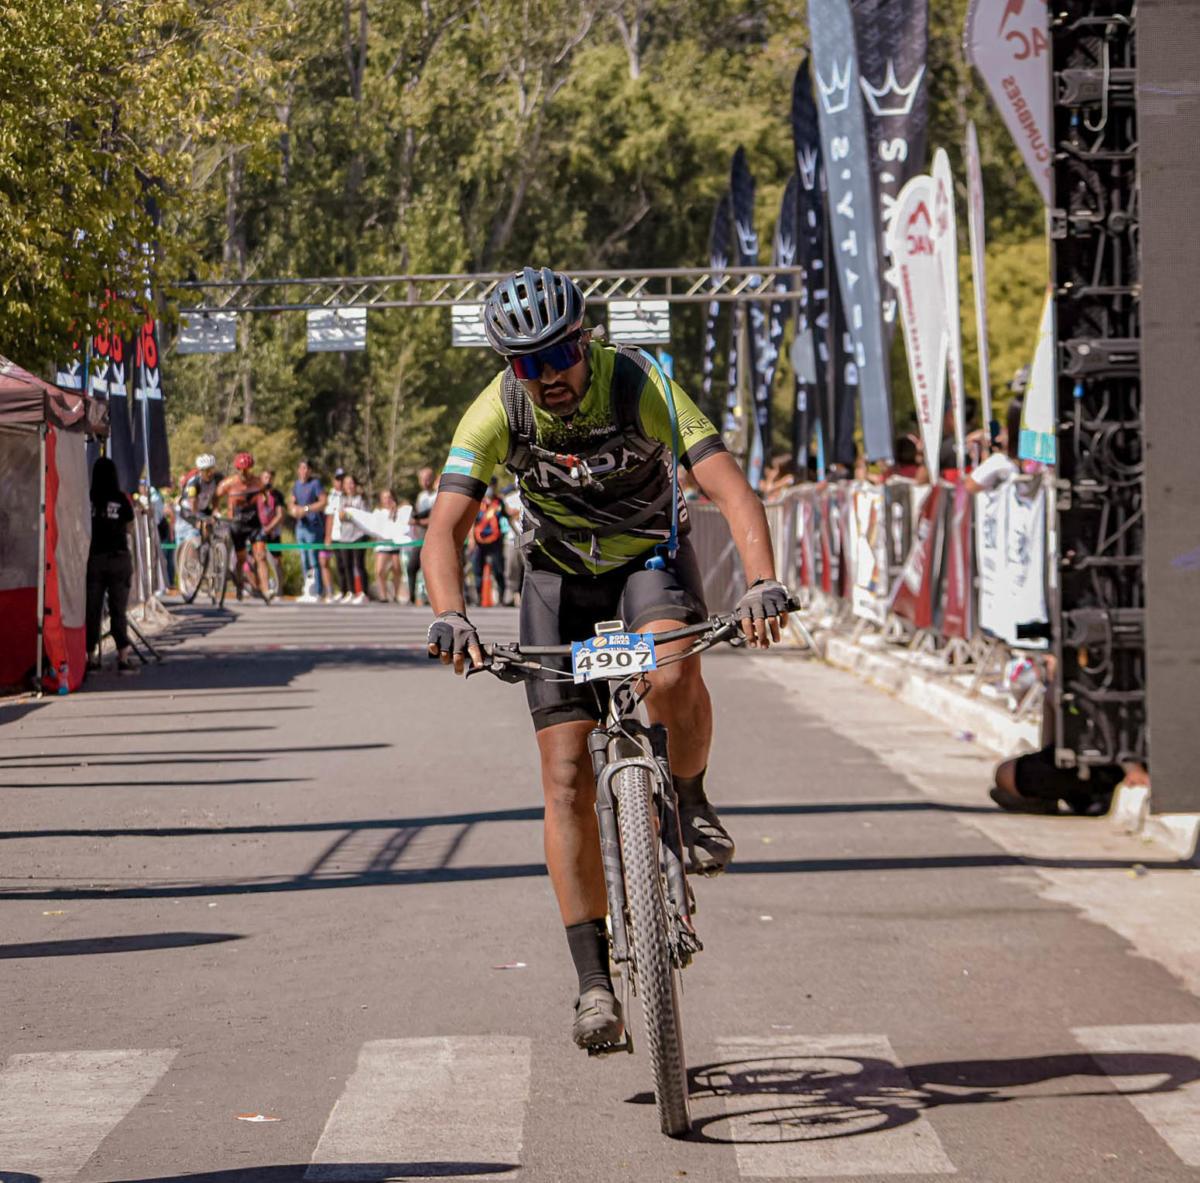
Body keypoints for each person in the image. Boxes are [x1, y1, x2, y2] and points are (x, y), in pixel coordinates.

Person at [424, 267, 790, 1051]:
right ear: (509, 366)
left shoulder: (639, 382)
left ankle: (688, 798)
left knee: (673, 671)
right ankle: (594, 982)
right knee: (564, 778)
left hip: (647, 563)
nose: (549, 376)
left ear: (583, 339)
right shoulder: (498, 409)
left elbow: (731, 489)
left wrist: (762, 582)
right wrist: (450, 613)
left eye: (559, 354)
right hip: (557, 581)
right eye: (529, 363)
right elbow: (444, 528)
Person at [86, 457, 137, 673]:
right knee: (118, 610)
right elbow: (130, 528)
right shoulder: (121, 499)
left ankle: (90, 657)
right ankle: (123, 657)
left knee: (92, 609)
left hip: (95, 559)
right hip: (119, 559)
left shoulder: (88, 499)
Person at [218, 452, 270, 602]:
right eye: (241, 470)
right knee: (241, 559)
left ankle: (266, 590)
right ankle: (239, 586)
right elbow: (216, 496)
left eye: (247, 469)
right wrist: (216, 511)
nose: (244, 473)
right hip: (237, 525)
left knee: (261, 556)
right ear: (237, 469)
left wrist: (265, 501)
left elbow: (264, 493)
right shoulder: (228, 483)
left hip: (254, 523)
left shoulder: (257, 481)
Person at [289, 460, 327, 602]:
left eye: (306, 468)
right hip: (300, 527)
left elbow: (323, 501)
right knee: (303, 559)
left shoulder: (315, 484)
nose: (304, 471)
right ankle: (308, 590)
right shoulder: (296, 485)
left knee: (313, 560)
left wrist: (306, 509)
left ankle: (317, 591)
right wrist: (294, 510)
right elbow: (292, 502)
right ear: (298, 470)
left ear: (310, 470)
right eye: (301, 468)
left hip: (313, 526)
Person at [471, 478, 508, 606]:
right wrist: (471, 539)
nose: (490, 489)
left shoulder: (499, 502)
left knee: (498, 569)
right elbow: (472, 521)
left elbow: (507, 516)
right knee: (477, 569)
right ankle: (478, 598)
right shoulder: (478, 501)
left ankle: (502, 598)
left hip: (495, 540)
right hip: (479, 541)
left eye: (492, 486)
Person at [334, 473, 369, 604]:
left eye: (351, 483)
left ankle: (364, 593)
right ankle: (351, 591)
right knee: (346, 564)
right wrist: (349, 516)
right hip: (345, 536)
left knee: (359, 564)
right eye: (347, 483)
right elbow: (340, 515)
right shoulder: (341, 499)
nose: (349, 486)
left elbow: (364, 515)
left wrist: (350, 515)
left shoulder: (361, 499)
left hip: (359, 535)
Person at [408, 466, 437, 606]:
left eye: (428, 479)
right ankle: (412, 597)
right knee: (412, 567)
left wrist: (417, 522)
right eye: (423, 479)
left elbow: (435, 519)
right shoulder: (421, 496)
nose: (425, 482)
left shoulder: (437, 496)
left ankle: (433, 598)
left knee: (431, 569)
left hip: (433, 538)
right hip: (420, 538)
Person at [372, 488, 405, 602]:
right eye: (385, 498)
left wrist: (394, 512)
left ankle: (396, 594)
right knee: (380, 570)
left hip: (395, 546)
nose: (387, 500)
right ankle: (383, 595)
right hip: (382, 545)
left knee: (397, 570)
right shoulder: (378, 512)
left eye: (389, 497)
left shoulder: (398, 512)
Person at [322, 468, 346, 603]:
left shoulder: (348, 494)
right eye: (338, 479)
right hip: (335, 535)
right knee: (338, 564)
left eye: (342, 479)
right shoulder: (331, 495)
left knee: (347, 565)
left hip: (348, 535)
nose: (340, 482)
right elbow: (329, 516)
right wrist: (328, 536)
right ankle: (339, 591)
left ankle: (349, 591)